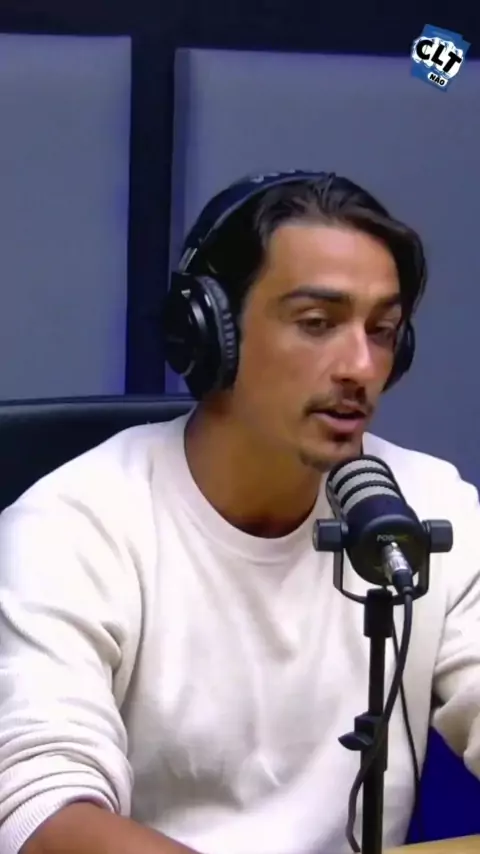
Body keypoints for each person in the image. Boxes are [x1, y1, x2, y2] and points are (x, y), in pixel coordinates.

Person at [0, 170, 479, 854]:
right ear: (209, 335)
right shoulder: (72, 527)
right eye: (317, 324)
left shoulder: (428, 506)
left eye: (382, 331)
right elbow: (43, 815)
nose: (360, 365)